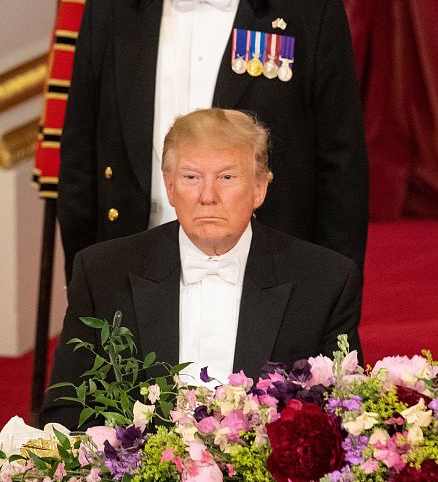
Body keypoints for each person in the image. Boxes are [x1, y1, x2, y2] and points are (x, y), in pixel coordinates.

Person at [41, 109, 362, 430]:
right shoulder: (103, 273)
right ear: (169, 187)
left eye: (227, 177)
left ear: (259, 188)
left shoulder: (324, 282)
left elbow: (344, 413)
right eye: (191, 177)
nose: (208, 196)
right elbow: (67, 408)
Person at [57, 0, 368, 283]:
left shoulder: (309, 11)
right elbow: (79, 161)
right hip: (136, 268)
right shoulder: (108, 8)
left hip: (270, 274)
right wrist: (86, 288)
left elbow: (341, 168)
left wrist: (335, 295)